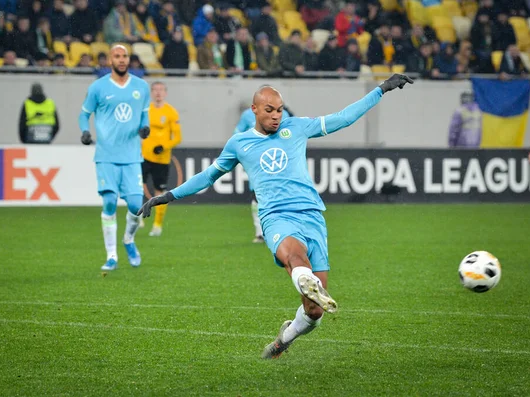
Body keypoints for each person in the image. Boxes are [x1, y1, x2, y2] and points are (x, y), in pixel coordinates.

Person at [138, 74, 413, 358]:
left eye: (280, 110)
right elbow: (208, 176)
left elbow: (342, 118)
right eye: (269, 110)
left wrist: (380, 90)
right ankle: (304, 278)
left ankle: (286, 337)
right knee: (295, 258)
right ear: (254, 110)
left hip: (312, 215)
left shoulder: (297, 127)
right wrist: (168, 195)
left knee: (314, 311)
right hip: (276, 216)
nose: (276, 116)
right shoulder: (239, 143)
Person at [78, 44, 151, 271]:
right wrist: (85, 131)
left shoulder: (141, 86)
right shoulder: (98, 87)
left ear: (129, 59)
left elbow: (144, 115)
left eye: (124, 56)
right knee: (109, 201)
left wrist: (145, 128)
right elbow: (84, 114)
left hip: (131, 156)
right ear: (110, 60)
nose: (121, 60)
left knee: (136, 205)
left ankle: (128, 239)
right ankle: (111, 256)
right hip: (106, 155)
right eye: (117, 56)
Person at [234, 99, 291, 243]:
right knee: (257, 196)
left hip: (277, 161)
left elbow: (290, 134)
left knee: (280, 196)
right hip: (257, 162)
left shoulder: (284, 114)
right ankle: (260, 232)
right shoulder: (248, 115)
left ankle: (280, 230)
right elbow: (237, 134)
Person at [140, 82, 182, 235]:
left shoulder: (171, 112)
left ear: (165, 93)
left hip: (162, 158)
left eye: (161, 90)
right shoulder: (146, 110)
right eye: (155, 90)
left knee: (160, 191)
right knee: (137, 186)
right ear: (151, 93)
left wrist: (164, 146)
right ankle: (137, 216)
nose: (158, 93)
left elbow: (178, 137)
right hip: (144, 156)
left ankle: (157, 225)